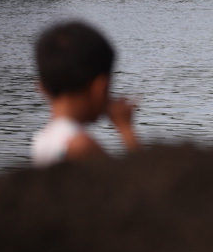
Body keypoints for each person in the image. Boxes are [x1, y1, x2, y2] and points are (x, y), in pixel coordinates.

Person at [31, 21, 139, 168]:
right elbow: (141, 184)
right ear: (100, 88)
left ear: (42, 88)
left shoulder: (42, 140)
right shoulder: (81, 146)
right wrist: (126, 129)